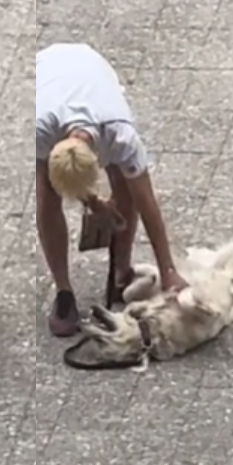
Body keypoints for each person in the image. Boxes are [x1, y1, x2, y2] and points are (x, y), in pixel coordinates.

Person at [36, 43, 188, 337]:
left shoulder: (120, 134)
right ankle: (64, 291)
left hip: (89, 67)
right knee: (47, 196)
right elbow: (63, 177)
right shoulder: (40, 127)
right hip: (48, 74)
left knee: (126, 187)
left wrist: (168, 270)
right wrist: (93, 202)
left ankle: (122, 271)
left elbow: (147, 203)